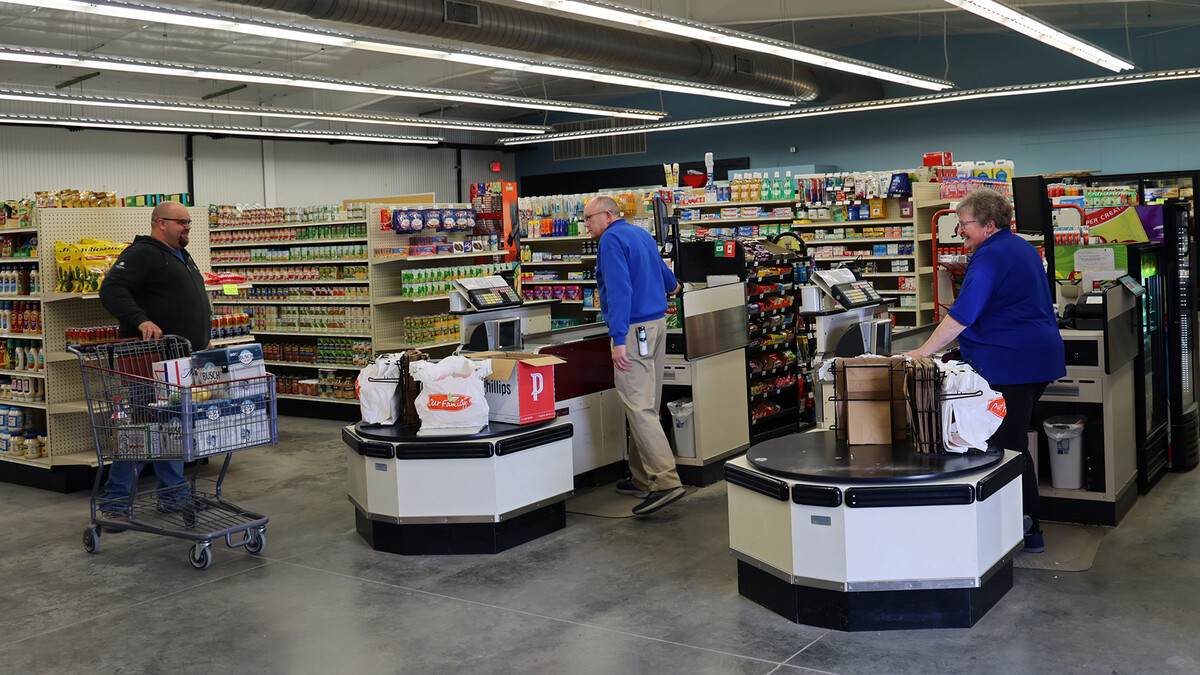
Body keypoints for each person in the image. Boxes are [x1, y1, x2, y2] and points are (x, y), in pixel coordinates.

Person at [904, 187, 1065, 553]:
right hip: (1034, 360)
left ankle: (1027, 529)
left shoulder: (990, 257)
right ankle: (1011, 524)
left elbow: (962, 314)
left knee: (1006, 446)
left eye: (965, 225)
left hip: (1011, 363)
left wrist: (925, 352)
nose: (960, 231)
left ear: (989, 225)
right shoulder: (1021, 247)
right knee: (1004, 440)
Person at [97, 200, 213, 518]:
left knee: (169, 427)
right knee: (144, 429)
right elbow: (111, 289)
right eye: (182, 222)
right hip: (149, 359)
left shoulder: (180, 254)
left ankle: (172, 495)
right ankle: (115, 500)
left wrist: (202, 334)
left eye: (189, 221)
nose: (188, 226)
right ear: (161, 223)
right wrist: (140, 320)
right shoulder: (143, 253)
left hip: (178, 358)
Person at [585, 195, 686, 516]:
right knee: (645, 401)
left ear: (606, 216)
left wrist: (617, 339)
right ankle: (643, 477)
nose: (585, 225)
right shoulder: (641, 234)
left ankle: (665, 481)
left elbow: (618, 291)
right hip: (656, 325)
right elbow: (669, 281)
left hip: (634, 330)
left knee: (637, 403)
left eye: (588, 219)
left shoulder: (610, 241)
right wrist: (674, 286)